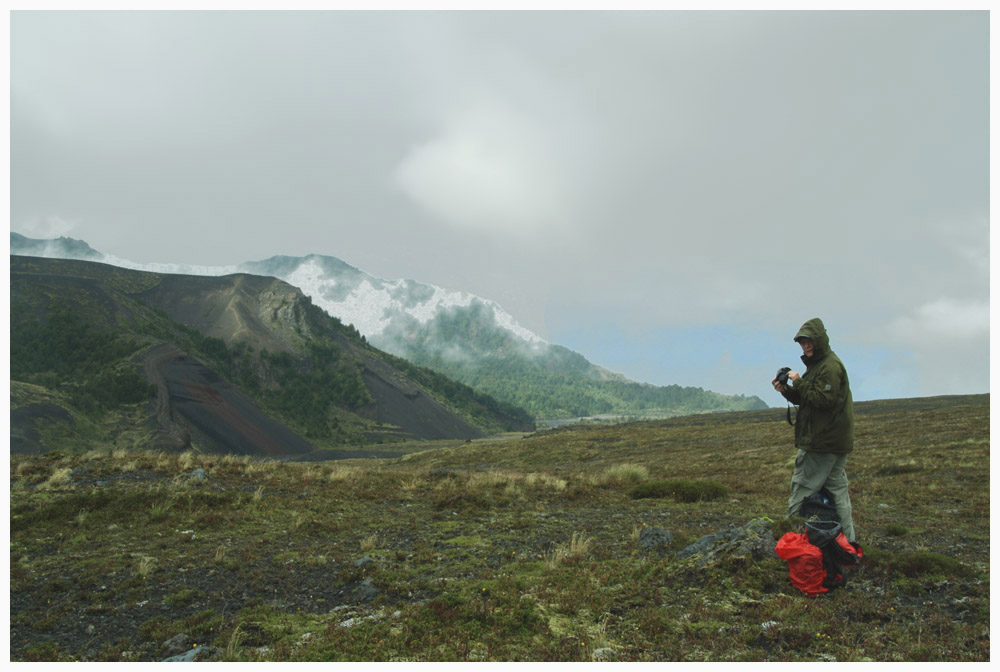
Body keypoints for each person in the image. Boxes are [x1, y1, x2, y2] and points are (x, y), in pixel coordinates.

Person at [772, 317, 856, 542]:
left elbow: (823, 400)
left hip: (821, 444)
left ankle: (790, 543)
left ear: (819, 340)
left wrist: (798, 381)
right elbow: (810, 399)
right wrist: (786, 391)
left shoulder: (828, 366)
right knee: (838, 494)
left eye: (809, 341)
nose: (805, 346)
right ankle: (849, 545)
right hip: (834, 444)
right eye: (802, 342)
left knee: (801, 491)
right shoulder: (821, 364)